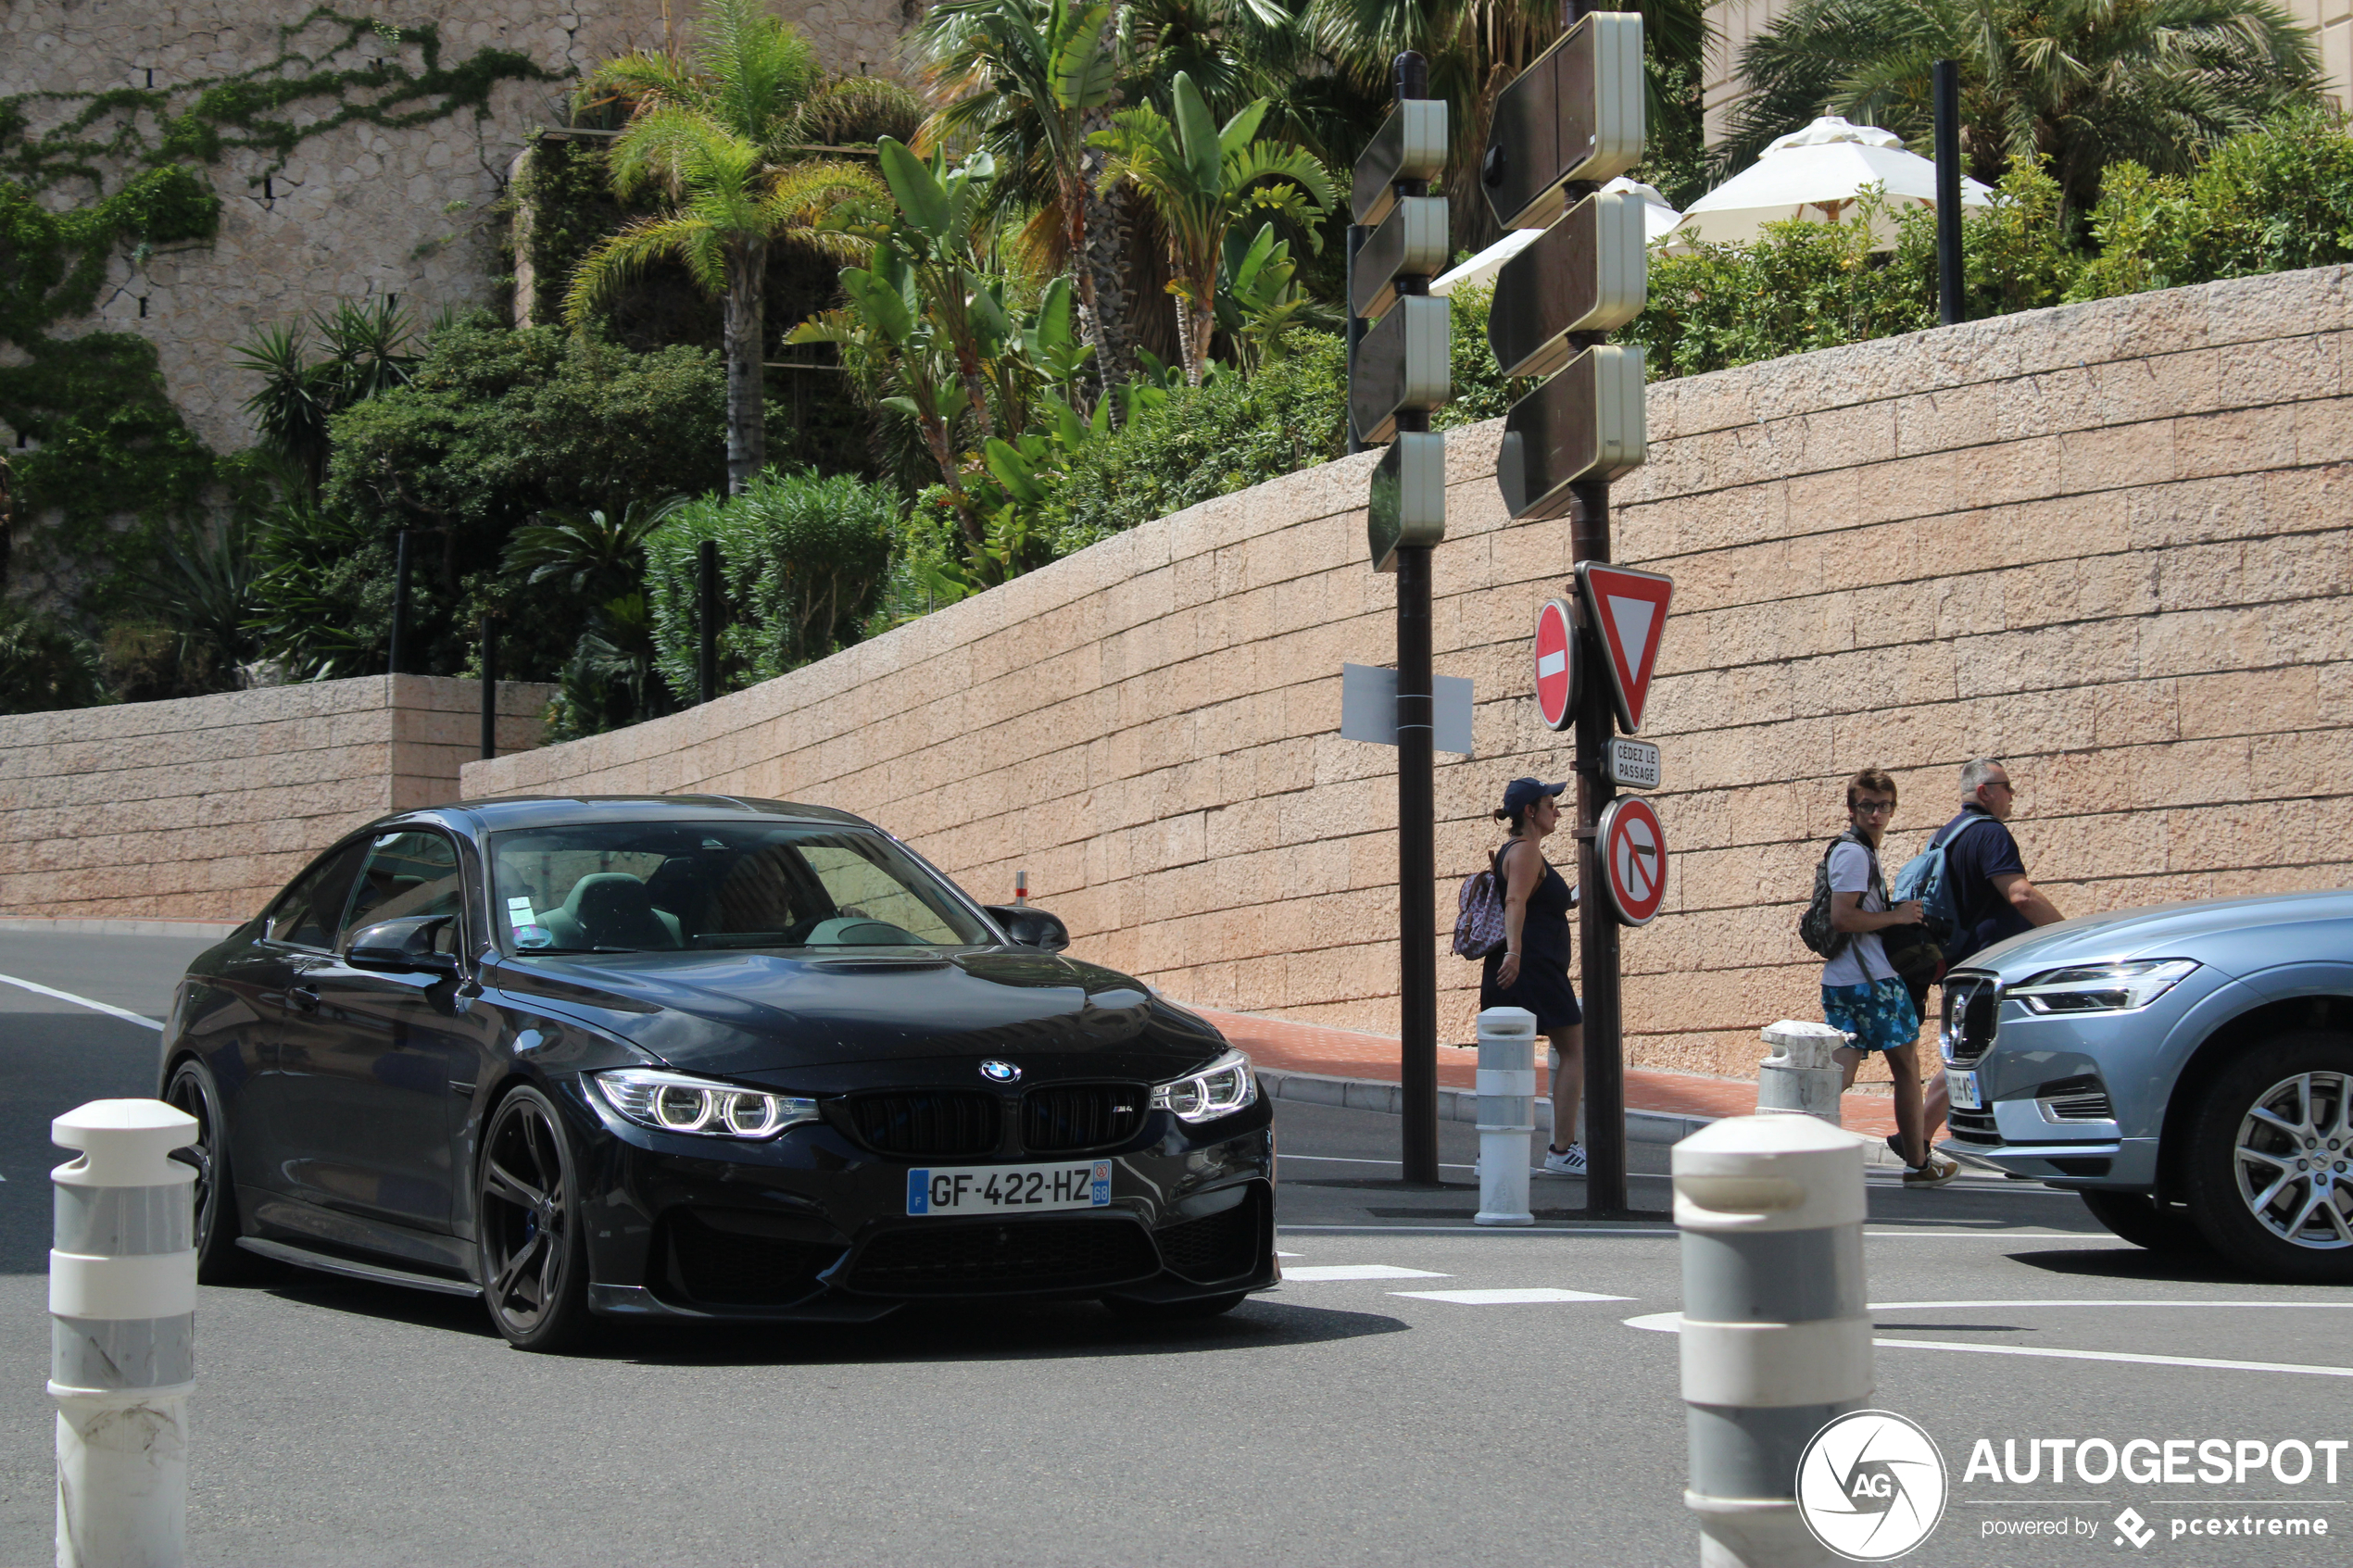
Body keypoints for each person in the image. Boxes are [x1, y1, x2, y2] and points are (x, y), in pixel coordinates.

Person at [1821, 768, 1957, 1188]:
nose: (1876, 814)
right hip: (1870, 980)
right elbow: (1842, 918)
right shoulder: (1854, 853)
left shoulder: (1860, 850)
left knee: (1843, 1062)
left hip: (1847, 978)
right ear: (1852, 808)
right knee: (1906, 1066)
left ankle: (1794, 1138)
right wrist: (1897, 915)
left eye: (1883, 806)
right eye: (1867, 806)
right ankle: (1919, 1163)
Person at [1483, 777, 1586, 1175]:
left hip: (1522, 966)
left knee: (1509, 1059)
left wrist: (1576, 894)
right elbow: (1514, 900)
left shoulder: (1522, 851)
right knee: (1574, 1051)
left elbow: (1539, 904)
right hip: (1533, 968)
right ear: (1530, 812)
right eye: (1550, 804)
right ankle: (1562, 1150)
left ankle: (1492, 1151)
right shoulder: (1525, 850)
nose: (1557, 811)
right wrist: (1514, 953)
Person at [1936, 757, 2066, 966]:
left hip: (1959, 966)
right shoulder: (1991, 832)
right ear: (1984, 792)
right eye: (2006, 786)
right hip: (1994, 966)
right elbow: (2022, 896)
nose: (2012, 793)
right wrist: (2066, 933)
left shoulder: (1943, 837)